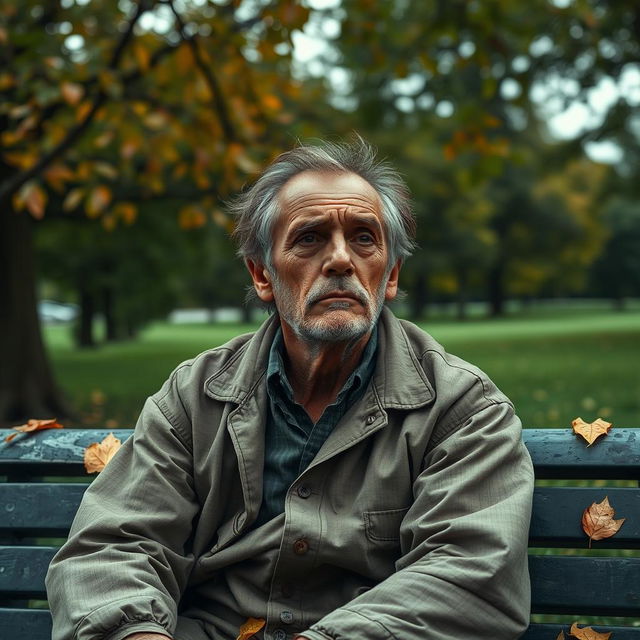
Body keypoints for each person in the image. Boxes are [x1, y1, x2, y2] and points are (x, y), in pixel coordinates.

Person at [46, 138, 534, 640]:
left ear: (390, 275)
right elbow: (113, 547)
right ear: (262, 274)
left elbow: (469, 576)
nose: (341, 259)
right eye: (310, 239)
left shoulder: (462, 407)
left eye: (364, 238)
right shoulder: (194, 397)